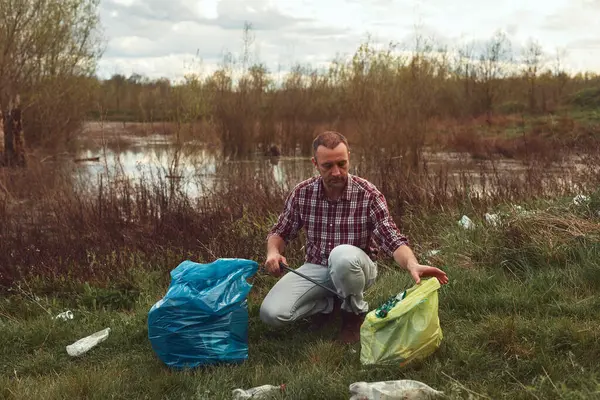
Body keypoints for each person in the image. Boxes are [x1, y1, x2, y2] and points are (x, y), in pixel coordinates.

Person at [259, 131, 449, 344]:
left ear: (349, 157)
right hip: (316, 267)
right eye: (328, 166)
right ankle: (330, 304)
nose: (337, 172)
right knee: (271, 315)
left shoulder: (368, 193)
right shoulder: (302, 193)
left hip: (357, 267)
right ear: (315, 163)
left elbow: (391, 238)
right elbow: (280, 232)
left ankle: (353, 315)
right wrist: (273, 253)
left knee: (341, 256)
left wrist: (412, 264)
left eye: (342, 163)